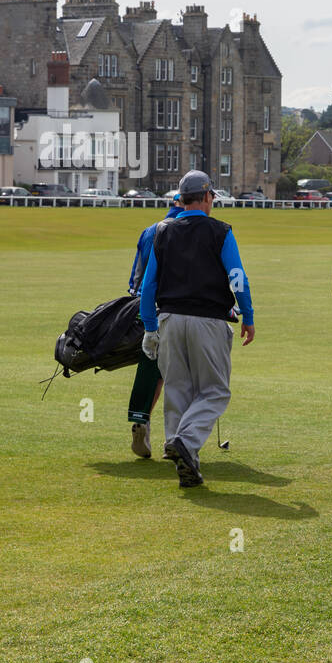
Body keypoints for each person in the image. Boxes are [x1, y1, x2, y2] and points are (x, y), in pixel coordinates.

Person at [138, 170, 255, 487]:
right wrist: (248, 314)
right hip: (209, 321)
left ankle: (185, 464)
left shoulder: (162, 232)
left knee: (177, 392)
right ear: (206, 197)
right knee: (215, 391)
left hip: (170, 321)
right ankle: (185, 443)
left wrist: (150, 327)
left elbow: (149, 286)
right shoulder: (220, 231)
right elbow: (237, 277)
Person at [125, 194, 182, 458]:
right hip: (177, 310)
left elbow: (136, 279)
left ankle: (142, 420)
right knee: (179, 377)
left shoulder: (149, 231)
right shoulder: (187, 232)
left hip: (145, 309)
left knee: (152, 373)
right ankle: (176, 439)